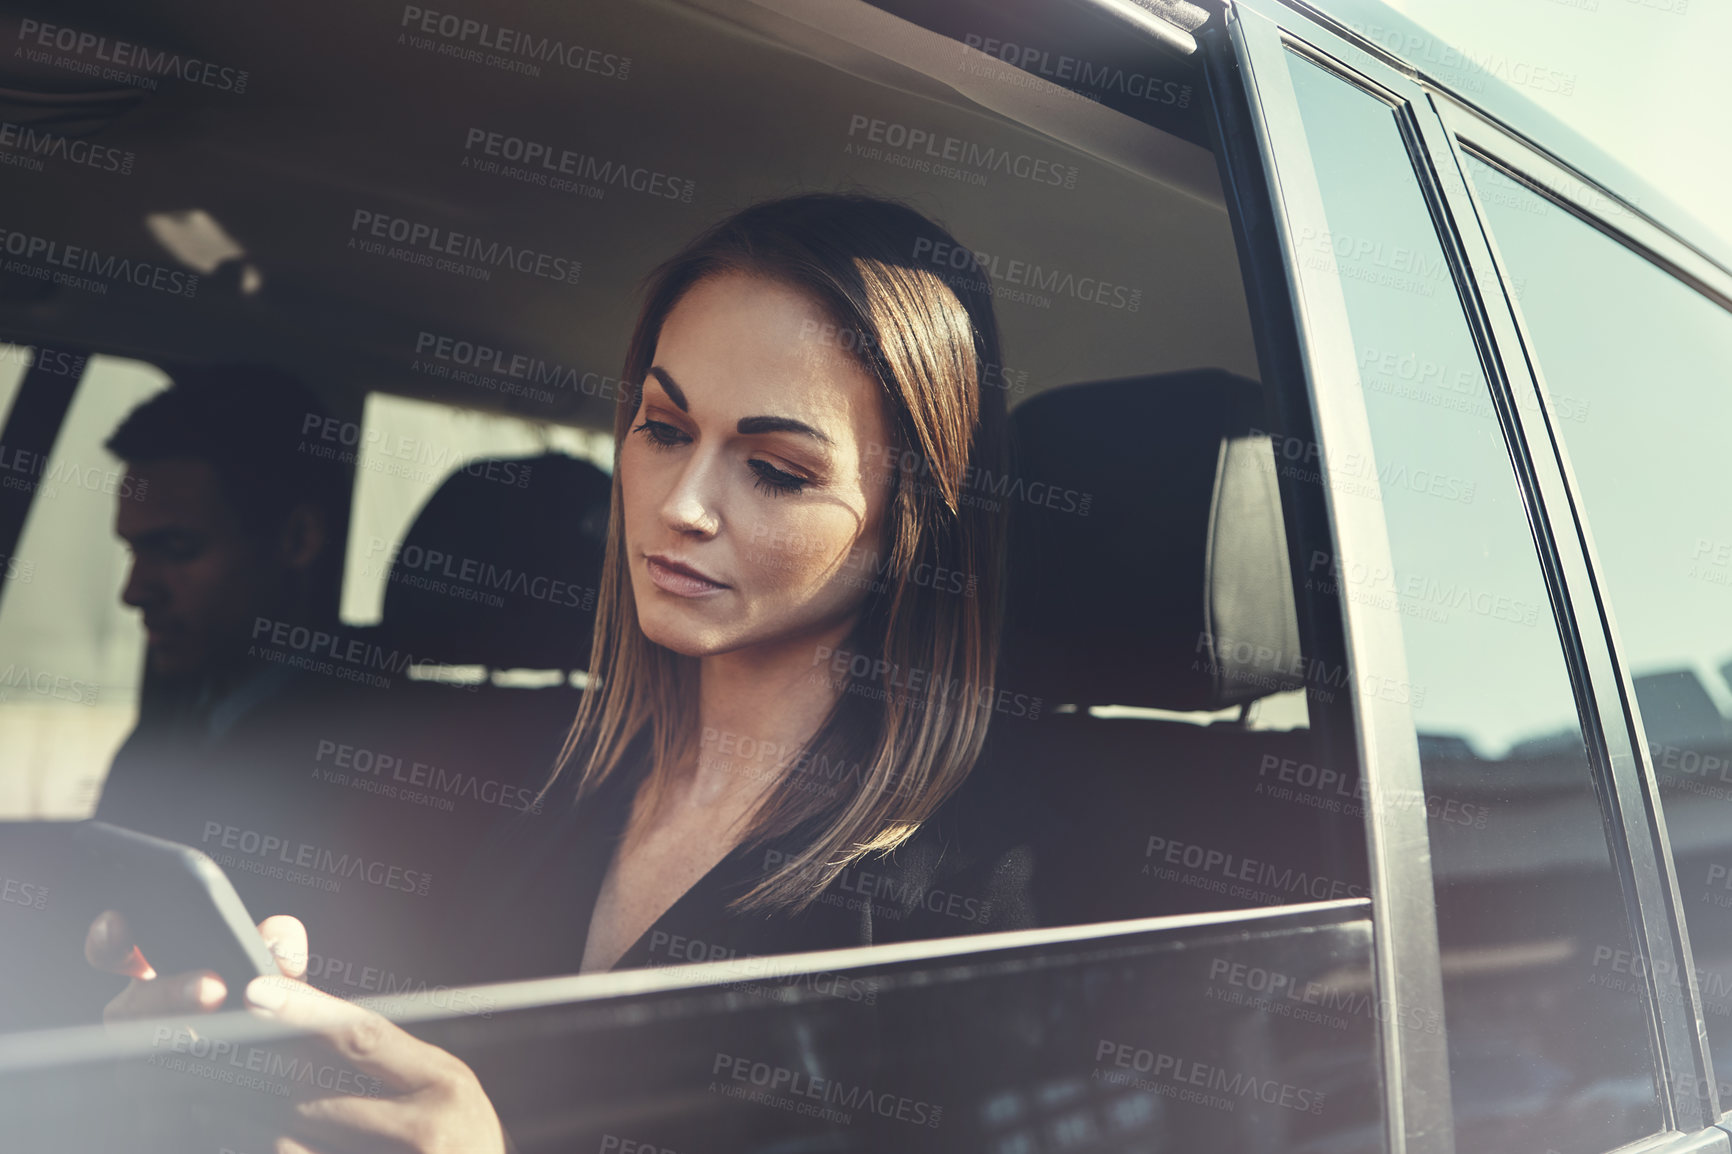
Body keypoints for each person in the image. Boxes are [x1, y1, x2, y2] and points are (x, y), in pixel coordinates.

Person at [84, 193, 1037, 1153]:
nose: (683, 506)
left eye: (778, 469)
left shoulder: (991, 899)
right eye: (663, 428)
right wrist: (281, 1057)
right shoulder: (514, 793)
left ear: (919, 514)